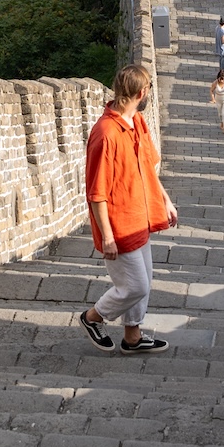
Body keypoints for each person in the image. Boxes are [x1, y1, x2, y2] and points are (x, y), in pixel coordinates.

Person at [78, 64, 176, 354]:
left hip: (142, 217)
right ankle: (92, 317)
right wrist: (107, 236)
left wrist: (166, 200)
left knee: (145, 279)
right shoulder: (106, 133)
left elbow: (148, 168)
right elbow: (96, 191)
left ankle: (132, 338)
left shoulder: (138, 123)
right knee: (135, 287)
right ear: (141, 92)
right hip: (119, 223)